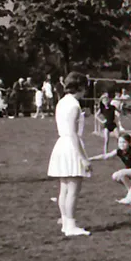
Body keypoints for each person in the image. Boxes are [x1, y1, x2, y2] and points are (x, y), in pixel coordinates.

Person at [47, 71, 91, 236]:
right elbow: (73, 133)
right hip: (71, 145)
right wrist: (83, 159)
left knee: (64, 188)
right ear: (79, 87)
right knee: (73, 188)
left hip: (62, 144)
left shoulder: (63, 102)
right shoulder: (73, 105)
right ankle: (70, 225)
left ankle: (66, 222)